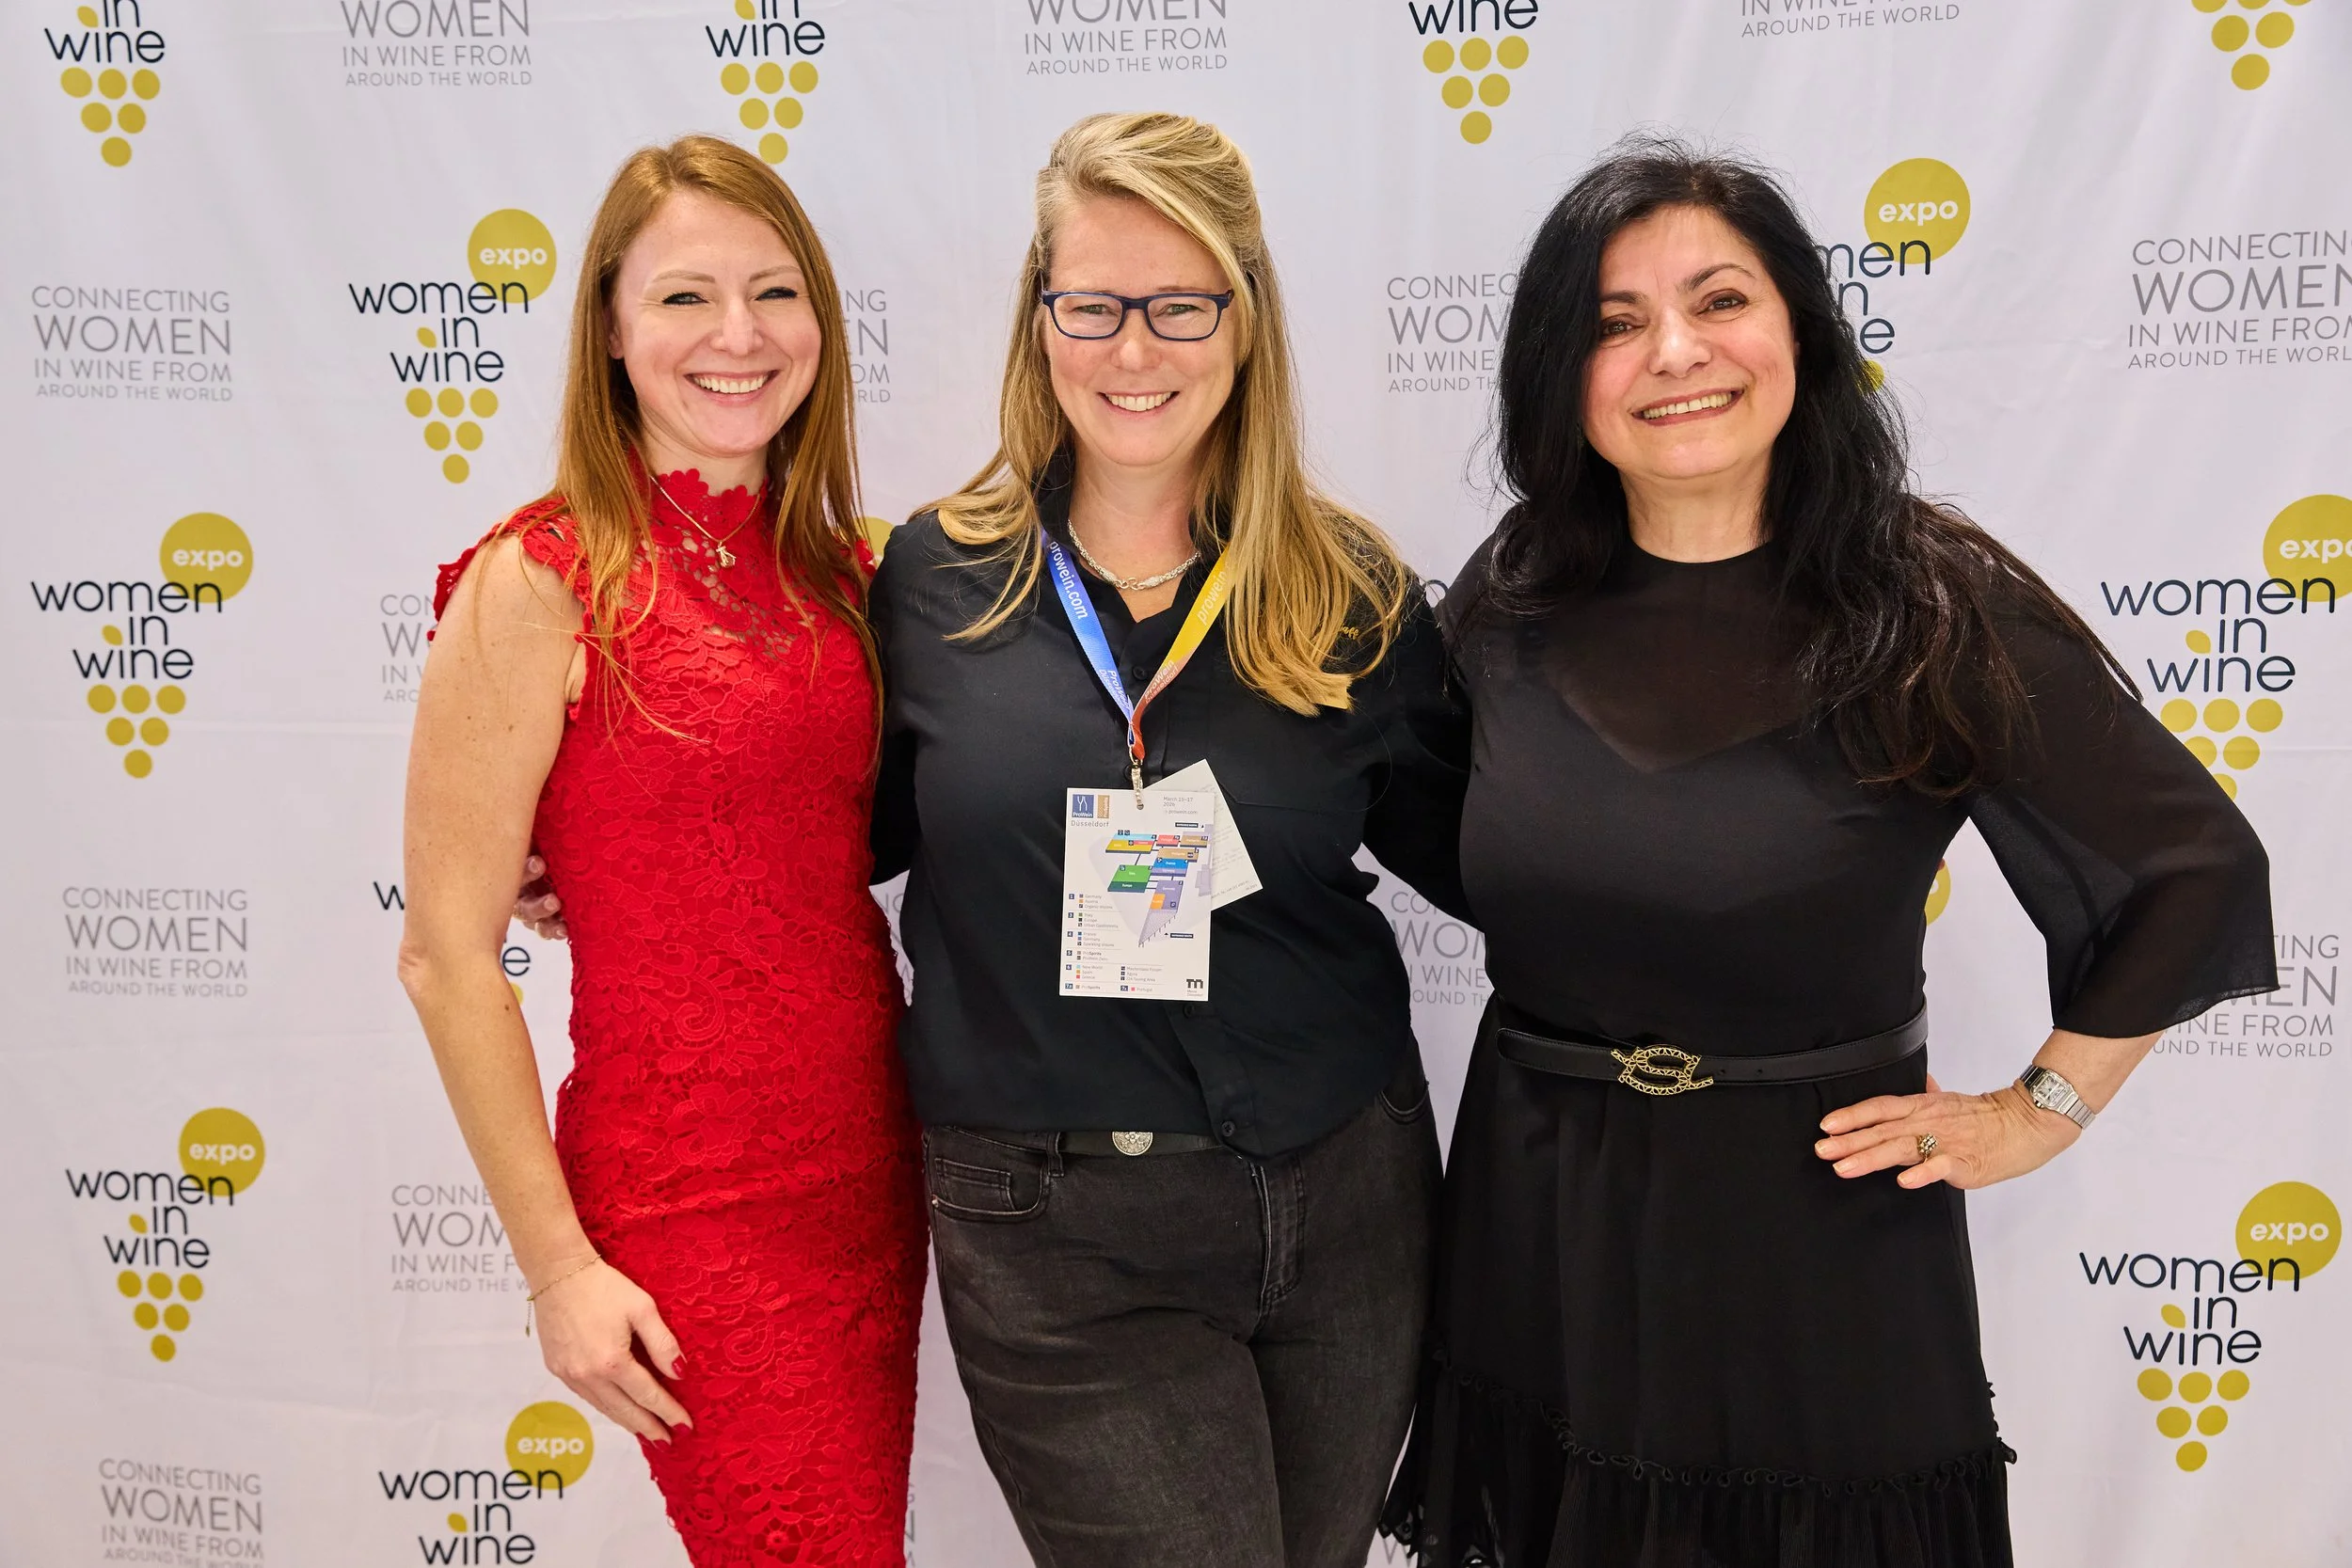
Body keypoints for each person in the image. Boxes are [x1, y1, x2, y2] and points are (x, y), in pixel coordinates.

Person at [1380, 137, 2276, 1568]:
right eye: (1614, 323)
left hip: (1812, 1227)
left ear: (1799, 325)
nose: (1674, 352)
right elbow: (1446, 828)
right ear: (1563, 375)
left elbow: (2196, 868)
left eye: (1718, 300)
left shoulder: (1925, 600)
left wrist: (2040, 1107)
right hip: (1538, 1207)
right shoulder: (1516, 585)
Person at [871, 111, 1470, 1568]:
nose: (1134, 350)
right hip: (1060, 1232)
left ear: (1244, 318)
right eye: (1094, 304)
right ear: (1041, 317)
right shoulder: (930, 581)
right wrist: (588, 851)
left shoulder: (1350, 590)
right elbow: (820, 826)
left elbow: (1496, 853)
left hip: (1348, 1197)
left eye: (1180, 304)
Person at [398, 135, 925, 1567]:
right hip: (697, 1203)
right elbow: (447, 957)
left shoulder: (845, 572)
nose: (739, 336)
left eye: (773, 291)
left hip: (875, 1173)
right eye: (686, 297)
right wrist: (560, 1267)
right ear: (613, 334)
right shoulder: (536, 578)